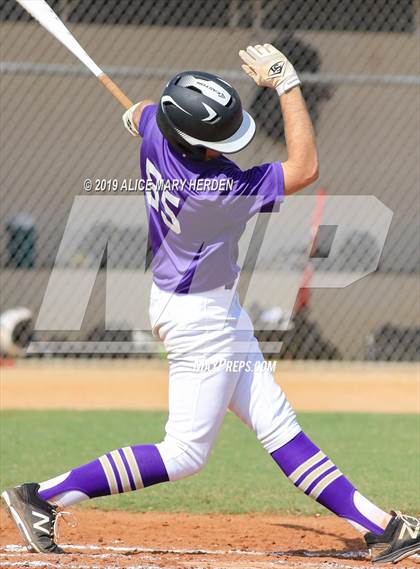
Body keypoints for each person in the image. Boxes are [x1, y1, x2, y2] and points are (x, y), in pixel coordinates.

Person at [2, 44, 418, 564]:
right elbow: (305, 166)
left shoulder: (158, 128)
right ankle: (39, 497)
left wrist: (139, 118)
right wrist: (288, 84)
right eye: (216, 141)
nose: (226, 149)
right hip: (200, 319)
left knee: (277, 423)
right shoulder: (215, 190)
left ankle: (382, 526)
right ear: (193, 142)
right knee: (184, 453)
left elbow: (142, 114)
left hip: (203, 305)